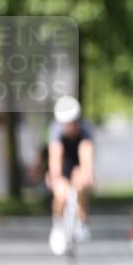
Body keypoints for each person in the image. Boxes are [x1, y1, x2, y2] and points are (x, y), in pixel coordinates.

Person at [47, 95, 94, 255]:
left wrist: (87, 173)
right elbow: (55, 154)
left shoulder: (85, 129)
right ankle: (57, 225)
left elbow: (86, 152)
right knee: (60, 191)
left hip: (78, 162)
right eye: (65, 124)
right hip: (64, 162)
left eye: (71, 123)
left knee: (81, 184)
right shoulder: (56, 130)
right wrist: (55, 176)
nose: (68, 127)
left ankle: (82, 221)